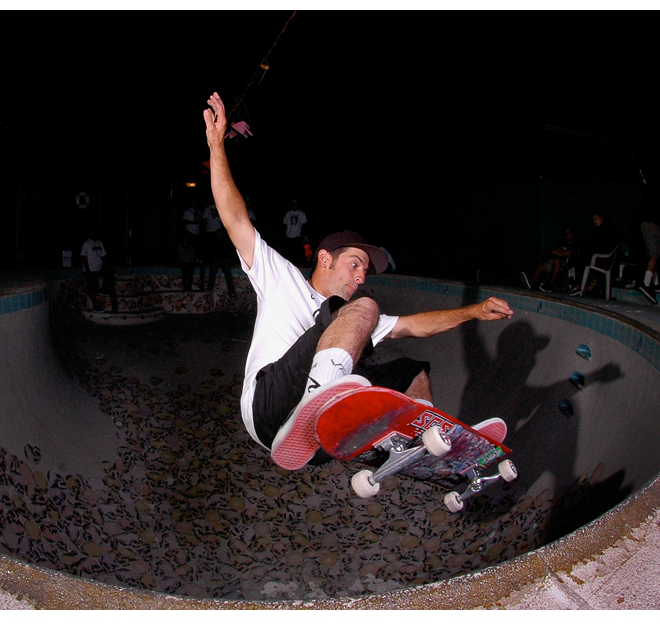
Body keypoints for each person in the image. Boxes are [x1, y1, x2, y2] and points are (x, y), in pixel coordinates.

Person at [202, 91, 514, 470]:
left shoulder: (351, 322)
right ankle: (318, 401)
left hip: (315, 444)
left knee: (411, 371)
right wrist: (217, 145)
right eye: (354, 264)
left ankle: (416, 441)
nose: (361, 274)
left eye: (365, 269)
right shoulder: (281, 277)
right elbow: (235, 219)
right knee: (362, 307)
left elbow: (415, 326)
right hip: (270, 405)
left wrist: (474, 312)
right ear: (325, 259)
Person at [569, 211, 619, 296]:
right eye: (593, 220)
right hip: (596, 257)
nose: (594, 221)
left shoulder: (607, 231)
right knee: (578, 260)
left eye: (596, 219)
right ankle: (576, 286)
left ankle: (578, 287)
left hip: (603, 260)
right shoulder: (596, 231)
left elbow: (603, 248)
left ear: (602, 219)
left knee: (581, 263)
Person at [636, 187, 660, 305]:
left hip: (646, 224)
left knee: (656, 255)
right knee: (655, 255)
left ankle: (656, 283)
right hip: (654, 224)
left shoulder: (655, 193)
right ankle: (646, 284)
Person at [521, 225, 578, 293]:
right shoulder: (560, 242)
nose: (567, 235)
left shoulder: (575, 244)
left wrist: (559, 251)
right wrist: (562, 252)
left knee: (557, 261)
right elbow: (553, 251)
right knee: (542, 265)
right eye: (565, 233)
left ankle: (550, 285)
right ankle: (530, 282)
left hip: (563, 264)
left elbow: (569, 254)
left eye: (569, 233)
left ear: (573, 234)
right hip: (551, 261)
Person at [80, 228, 118, 312]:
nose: (95, 233)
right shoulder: (86, 244)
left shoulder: (99, 243)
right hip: (91, 270)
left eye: (96, 232)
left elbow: (104, 256)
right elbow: (84, 257)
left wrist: (107, 266)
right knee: (92, 287)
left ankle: (113, 301)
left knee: (110, 275)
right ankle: (95, 305)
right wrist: (87, 269)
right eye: (93, 232)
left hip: (98, 269)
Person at [282, 200, 308, 265]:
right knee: (288, 252)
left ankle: (297, 264)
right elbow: (285, 224)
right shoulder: (288, 214)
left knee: (297, 252)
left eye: (295, 204)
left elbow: (304, 224)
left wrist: (304, 235)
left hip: (297, 235)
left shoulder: (301, 214)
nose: (294, 206)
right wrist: (284, 234)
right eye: (293, 204)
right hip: (289, 235)